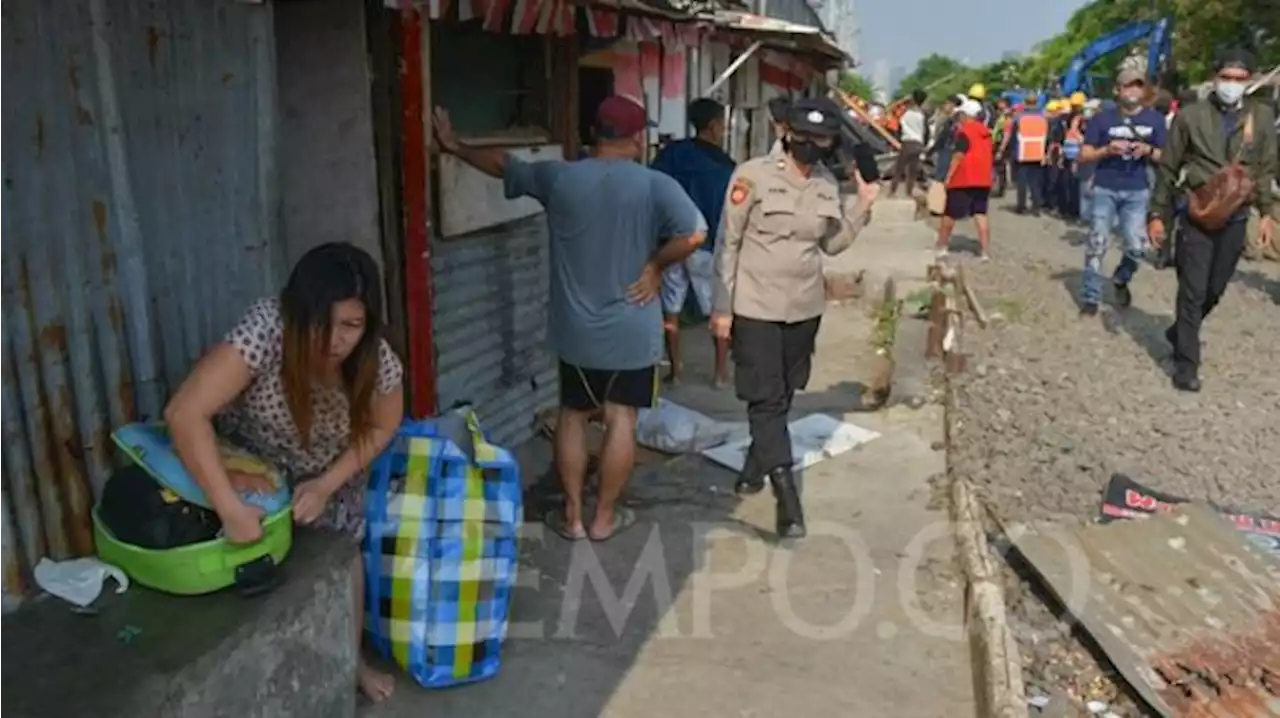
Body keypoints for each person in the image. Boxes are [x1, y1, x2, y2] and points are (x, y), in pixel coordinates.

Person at [432, 96, 706, 538]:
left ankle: (574, 517)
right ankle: (604, 519)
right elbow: (694, 233)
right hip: (633, 329)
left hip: (576, 331)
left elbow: (504, 165)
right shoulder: (655, 185)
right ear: (637, 138)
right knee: (622, 419)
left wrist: (453, 145)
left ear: (595, 135)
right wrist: (656, 266)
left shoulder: (559, 178)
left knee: (573, 416)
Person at [163, 242, 405, 703]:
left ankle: (350, 662)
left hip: (327, 467)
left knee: (343, 555)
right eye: (322, 323)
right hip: (251, 459)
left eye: (351, 326)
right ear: (296, 312)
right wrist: (229, 506)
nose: (335, 341)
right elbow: (184, 412)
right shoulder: (266, 328)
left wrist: (327, 483)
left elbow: (384, 424)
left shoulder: (378, 360)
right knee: (246, 565)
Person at [710, 98, 879, 539]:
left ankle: (752, 467)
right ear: (789, 134)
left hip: (804, 307)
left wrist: (862, 205)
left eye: (821, 139)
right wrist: (722, 308)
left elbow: (833, 245)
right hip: (756, 306)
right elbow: (727, 244)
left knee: (783, 394)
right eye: (804, 137)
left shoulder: (825, 183)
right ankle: (786, 499)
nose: (812, 146)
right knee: (764, 399)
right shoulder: (752, 175)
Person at [1150, 49, 1278, 392]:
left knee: (1215, 289)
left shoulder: (1261, 117)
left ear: (1249, 81)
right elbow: (1168, 168)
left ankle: (1179, 331)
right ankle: (1186, 364)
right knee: (1192, 290)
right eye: (1227, 77)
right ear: (1215, 77)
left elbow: (1265, 169)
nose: (1232, 85)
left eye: (1239, 79)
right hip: (1197, 214)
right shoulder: (1190, 116)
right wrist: (1157, 215)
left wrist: (1267, 213)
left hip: (1236, 216)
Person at [650, 98, 736, 387]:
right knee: (718, 310)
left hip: (672, 244)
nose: (724, 130)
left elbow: (654, 191)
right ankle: (720, 373)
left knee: (670, 309)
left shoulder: (671, 155)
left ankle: (675, 372)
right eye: (722, 124)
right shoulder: (724, 167)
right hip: (706, 246)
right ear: (712, 126)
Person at [1076, 69, 1167, 316]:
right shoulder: (1101, 120)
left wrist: (1147, 151)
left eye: (1138, 86)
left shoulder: (1155, 120)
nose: (1133, 91)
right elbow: (1083, 154)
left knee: (1136, 247)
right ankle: (1091, 296)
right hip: (1105, 187)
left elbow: (1168, 157)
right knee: (1097, 243)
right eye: (1128, 86)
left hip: (1138, 190)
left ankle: (1121, 277)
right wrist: (1106, 150)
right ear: (1118, 90)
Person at [935, 99, 994, 260]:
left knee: (950, 214)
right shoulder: (986, 132)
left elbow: (958, 155)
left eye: (961, 114)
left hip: (964, 178)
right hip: (983, 179)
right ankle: (985, 251)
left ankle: (942, 246)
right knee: (980, 213)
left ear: (966, 115)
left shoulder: (965, 132)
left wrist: (948, 177)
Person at [1002, 95, 1049, 215]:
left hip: (1022, 153)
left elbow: (1012, 136)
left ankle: (1021, 206)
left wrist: (1008, 152)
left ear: (1025, 102)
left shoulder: (1019, 118)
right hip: (1038, 153)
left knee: (1022, 182)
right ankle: (1036, 207)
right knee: (1035, 183)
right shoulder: (1043, 118)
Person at [889, 89, 929, 197]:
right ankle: (909, 193)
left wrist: (903, 100)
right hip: (918, 143)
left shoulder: (906, 112)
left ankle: (892, 192)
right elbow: (926, 132)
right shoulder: (923, 114)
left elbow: (892, 110)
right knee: (912, 171)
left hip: (907, 142)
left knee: (899, 169)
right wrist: (924, 145)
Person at [927, 95, 961, 182]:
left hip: (947, 147)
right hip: (941, 147)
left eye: (949, 104)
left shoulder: (953, 119)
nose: (946, 105)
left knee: (942, 173)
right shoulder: (942, 115)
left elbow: (944, 133)